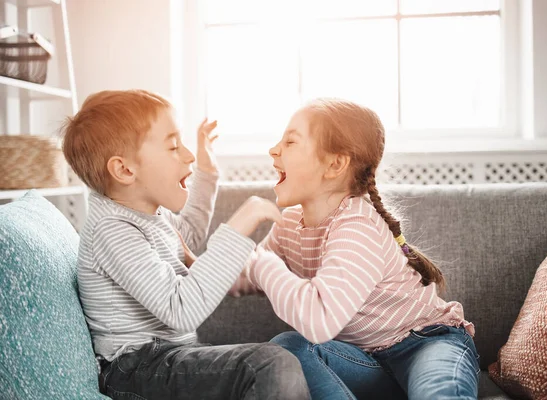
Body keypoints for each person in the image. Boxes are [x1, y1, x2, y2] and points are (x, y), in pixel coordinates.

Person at [61, 89, 310, 400]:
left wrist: (206, 173)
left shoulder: (148, 213)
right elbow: (181, 310)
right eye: (173, 147)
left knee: (285, 357)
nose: (188, 155)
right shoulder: (112, 231)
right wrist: (245, 218)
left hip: (167, 359)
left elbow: (188, 236)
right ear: (125, 170)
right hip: (134, 370)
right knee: (268, 365)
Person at [239, 98, 480, 399]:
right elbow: (243, 275)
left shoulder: (357, 224)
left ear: (335, 164)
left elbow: (319, 319)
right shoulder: (289, 224)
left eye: (290, 141)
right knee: (288, 349)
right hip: (363, 363)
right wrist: (188, 264)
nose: (274, 149)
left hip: (426, 343)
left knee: (439, 394)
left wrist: (264, 264)